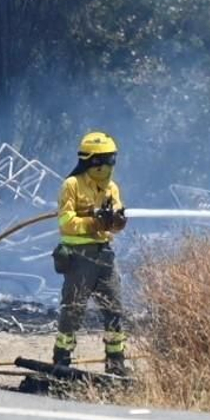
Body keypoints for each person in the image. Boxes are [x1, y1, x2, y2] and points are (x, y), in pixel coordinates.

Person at [51, 130, 130, 374]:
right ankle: (61, 359)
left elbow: (117, 220)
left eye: (111, 159)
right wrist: (93, 221)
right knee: (73, 309)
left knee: (114, 308)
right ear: (92, 161)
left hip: (105, 256)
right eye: (104, 159)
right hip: (78, 257)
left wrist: (115, 220)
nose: (108, 165)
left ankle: (116, 364)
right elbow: (65, 222)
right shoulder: (71, 185)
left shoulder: (111, 188)